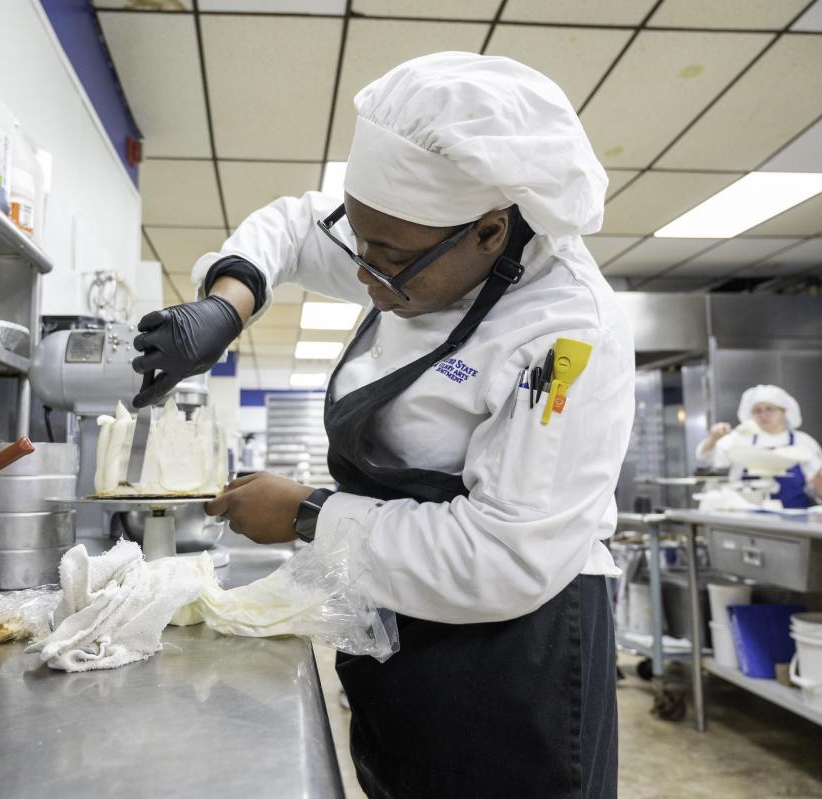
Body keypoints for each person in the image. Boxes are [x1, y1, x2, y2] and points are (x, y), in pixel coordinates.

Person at [131, 52, 633, 798]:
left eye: (387, 259)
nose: (363, 272)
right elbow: (298, 226)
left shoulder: (565, 338)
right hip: (400, 617)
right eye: (359, 243)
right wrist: (227, 305)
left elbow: (505, 555)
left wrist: (307, 514)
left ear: (490, 232)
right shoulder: (413, 241)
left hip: (511, 655)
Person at [697, 384, 822, 508]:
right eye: (757, 411)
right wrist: (713, 438)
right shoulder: (741, 439)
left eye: (770, 409)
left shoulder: (803, 442)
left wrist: (819, 486)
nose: (763, 415)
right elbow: (707, 457)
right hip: (750, 518)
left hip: (795, 517)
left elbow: (821, 492)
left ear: (784, 412)